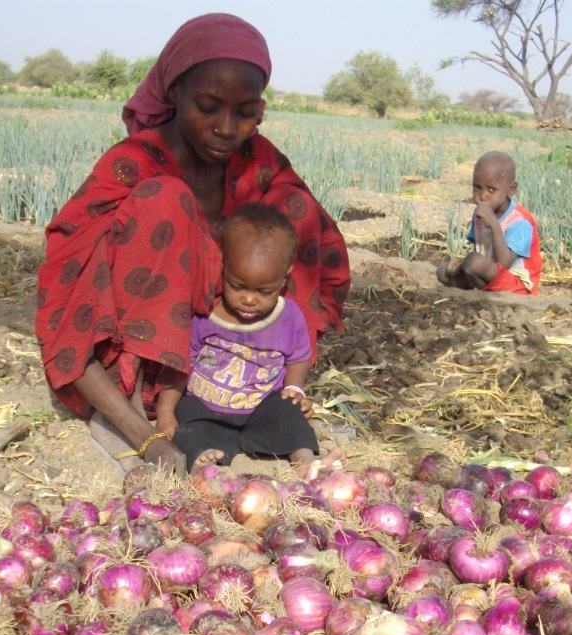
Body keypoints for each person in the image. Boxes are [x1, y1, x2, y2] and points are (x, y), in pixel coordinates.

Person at [34, 14, 350, 474]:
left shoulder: (257, 161)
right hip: (138, 368)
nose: (227, 128)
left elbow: (318, 248)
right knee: (167, 200)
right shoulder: (135, 163)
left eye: (246, 113)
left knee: (294, 213)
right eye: (208, 105)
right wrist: (148, 441)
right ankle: (130, 411)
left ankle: (259, 395)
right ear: (175, 92)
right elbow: (70, 276)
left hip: (228, 369)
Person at [157, 204, 345, 476]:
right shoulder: (205, 312)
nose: (248, 299)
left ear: (285, 276)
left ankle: (305, 460)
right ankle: (205, 463)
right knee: (188, 424)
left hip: (262, 407)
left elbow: (298, 357)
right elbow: (180, 364)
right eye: (237, 285)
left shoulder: (289, 316)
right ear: (224, 266)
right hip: (206, 407)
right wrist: (165, 410)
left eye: (264, 291)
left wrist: (295, 391)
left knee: (290, 416)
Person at [437, 151, 542, 295]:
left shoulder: (520, 221)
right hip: (489, 274)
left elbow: (504, 263)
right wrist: (461, 265)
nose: (483, 195)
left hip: (516, 285)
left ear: (511, 189)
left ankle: (478, 288)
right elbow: (482, 252)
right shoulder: (480, 214)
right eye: (477, 187)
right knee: (442, 271)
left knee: (474, 262)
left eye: (491, 189)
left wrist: (494, 224)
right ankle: (478, 288)